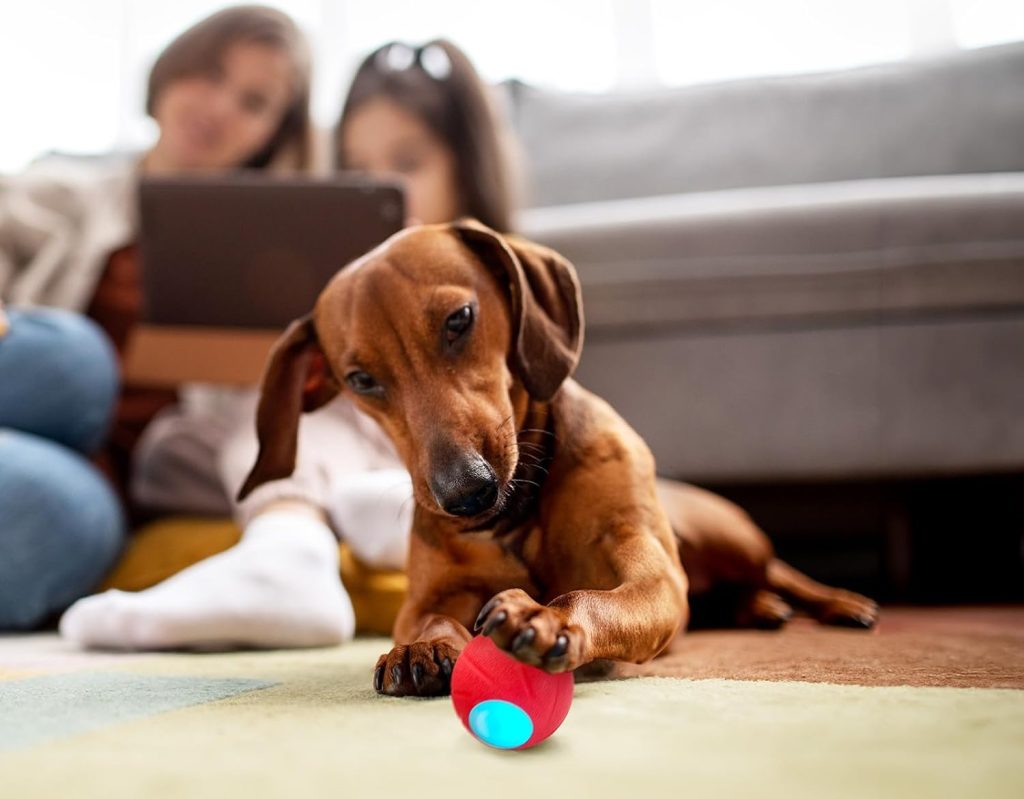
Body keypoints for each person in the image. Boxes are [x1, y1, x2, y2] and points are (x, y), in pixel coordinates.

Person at [58, 38, 518, 650]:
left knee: (295, 421)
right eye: (357, 171)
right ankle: (362, 509)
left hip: (412, 453)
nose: (384, 190)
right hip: (297, 452)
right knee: (174, 448)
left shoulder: (489, 277)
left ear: (467, 169)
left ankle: (290, 549)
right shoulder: (345, 289)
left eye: (406, 165)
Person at [0, 5, 313, 631]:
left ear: (272, 135)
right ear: (172, 71)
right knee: (74, 363)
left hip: (104, 484)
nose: (219, 107)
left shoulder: (275, 267)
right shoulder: (63, 195)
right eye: (211, 74)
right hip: (28, 392)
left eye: (252, 101)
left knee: (44, 511)